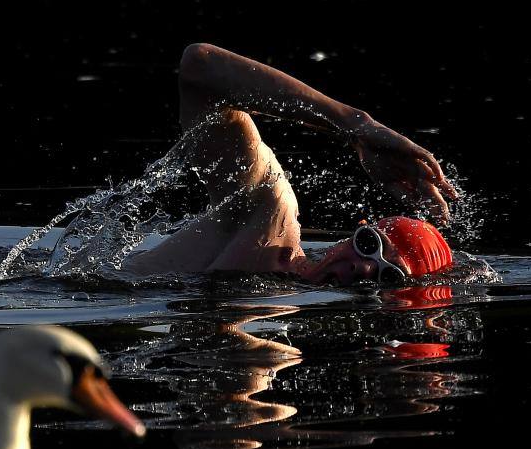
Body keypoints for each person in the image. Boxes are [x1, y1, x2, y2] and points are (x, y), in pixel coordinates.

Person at [124, 43, 458, 285]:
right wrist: (356, 126)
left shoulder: (283, 327)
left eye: (389, 277)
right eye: (369, 246)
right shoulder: (269, 215)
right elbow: (200, 66)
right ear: (356, 230)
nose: (364, 269)